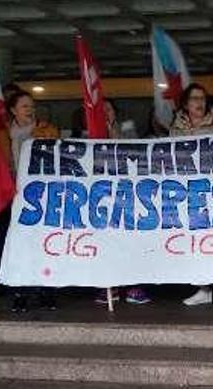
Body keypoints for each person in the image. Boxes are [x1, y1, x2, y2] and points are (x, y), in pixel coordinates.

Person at [169, 83, 213, 311]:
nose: (200, 102)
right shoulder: (174, 130)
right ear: (185, 104)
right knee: (196, 245)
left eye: (203, 98)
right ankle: (204, 290)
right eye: (195, 98)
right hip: (188, 195)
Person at [1, 90, 61, 312]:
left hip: (41, 197)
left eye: (32, 106)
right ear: (13, 110)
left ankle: (47, 290)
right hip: (14, 197)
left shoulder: (47, 130)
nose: (30, 110)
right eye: (25, 106)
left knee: (44, 244)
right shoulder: (3, 135)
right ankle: (21, 291)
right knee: (19, 247)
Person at [93, 98, 152, 305]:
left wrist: (111, 131)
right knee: (106, 242)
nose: (105, 112)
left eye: (108, 109)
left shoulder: (127, 128)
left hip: (127, 195)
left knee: (130, 242)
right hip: (100, 197)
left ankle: (134, 285)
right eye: (100, 110)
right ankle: (110, 286)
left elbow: (134, 151)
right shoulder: (85, 133)